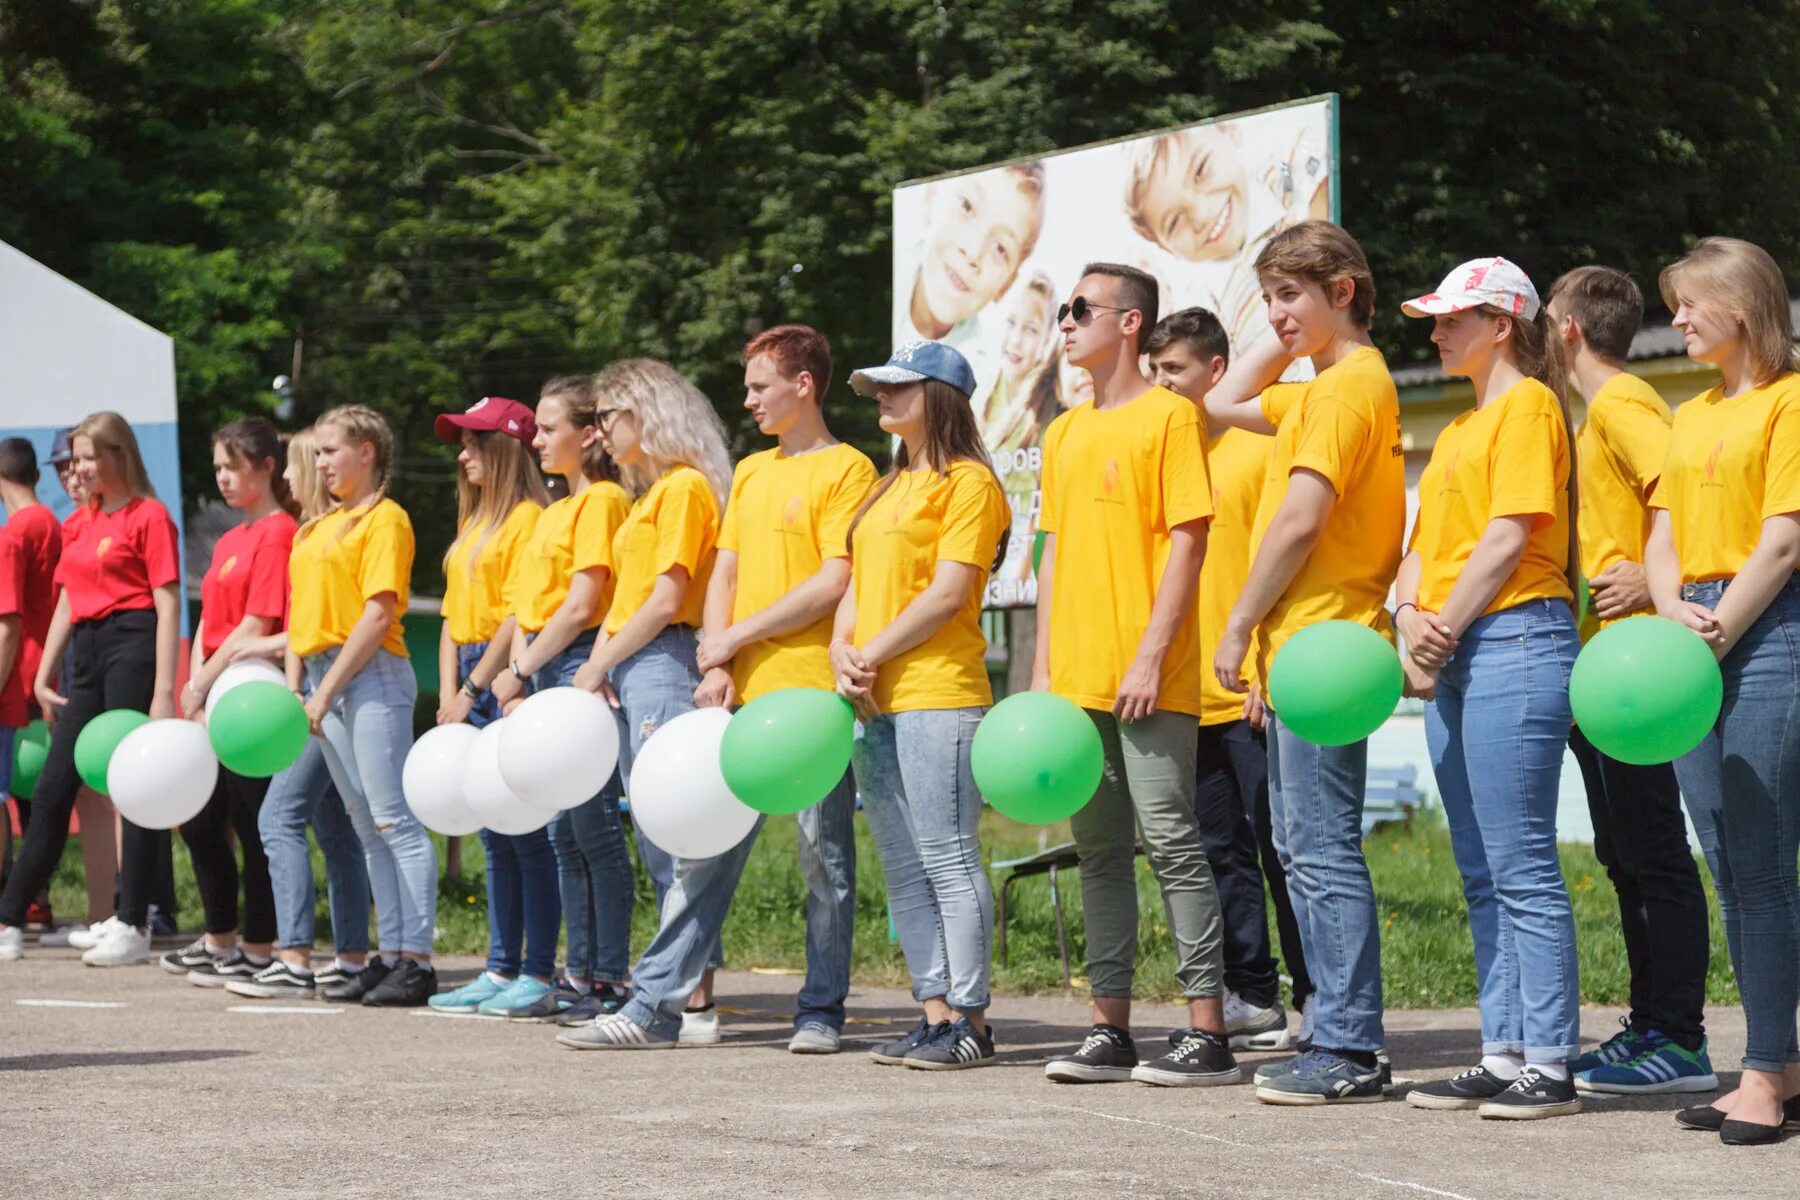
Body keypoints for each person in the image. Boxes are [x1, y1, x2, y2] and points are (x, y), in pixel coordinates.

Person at [1203, 221, 1404, 1104]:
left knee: (1319, 851)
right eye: (1269, 295)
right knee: (1301, 846)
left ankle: (1350, 1045)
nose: (1276, 314)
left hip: (1324, 640)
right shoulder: (1323, 387)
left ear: (1345, 290)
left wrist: (1237, 624)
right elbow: (1221, 403)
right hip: (1309, 648)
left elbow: (1298, 519)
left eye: (1292, 294)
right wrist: (1285, 324)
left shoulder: (1345, 389)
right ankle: (1332, 1031)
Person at [1033, 263, 1238, 1089]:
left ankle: (1207, 1032)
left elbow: (1188, 541)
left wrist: (1153, 652)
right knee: (1100, 852)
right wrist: (1045, 667)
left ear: (1129, 323)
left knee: (1172, 842)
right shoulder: (1062, 433)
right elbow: (1051, 559)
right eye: (1062, 309)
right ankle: (1109, 1029)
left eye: (1080, 309)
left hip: (1152, 672)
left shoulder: (1169, 418)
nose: (1066, 322)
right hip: (1076, 678)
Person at [1392, 258, 1585, 1120]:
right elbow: (1422, 546)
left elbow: (1510, 534)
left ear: (1502, 323)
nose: (1436, 333)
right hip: (1463, 648)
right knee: (1480, 868)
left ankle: (1551, 1059)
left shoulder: (1531, 407)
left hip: (1513, 640)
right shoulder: (1464, 429)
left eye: (1451, 319)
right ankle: (1503, 1053)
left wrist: (1441, 628)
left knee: (1522, 865)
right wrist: (1406, 614)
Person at [1548, 267, 1717, 1095]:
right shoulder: (1594, 413)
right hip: (1602, 669)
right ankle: (1649, 1025)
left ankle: (1681, 1039)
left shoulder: (1621, 403)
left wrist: (1658, 586)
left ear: (1570, 328)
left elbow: (1678, 486)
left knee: (1653, 852)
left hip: (1638, 672)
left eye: (1546, 318)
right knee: (1624, 852)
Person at [1648, 237, 1800, 1145]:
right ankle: (1776, 1066)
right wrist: (1673, 613)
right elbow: (1660, 530)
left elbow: (1784, 541)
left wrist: (1713, 632)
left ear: (1739, 308)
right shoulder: (1689, 410)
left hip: (1765, 627)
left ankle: (1762, 1077)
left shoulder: (1791, 401)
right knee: (1728, 869)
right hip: (1691, 632)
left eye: (1689, 303)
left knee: (1762, 868)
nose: (1677, 319)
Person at [825, 340, 1009, 1069]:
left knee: (949, 857)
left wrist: (870, 653)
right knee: (903, 863)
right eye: (878, 389)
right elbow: (857, 588)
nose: (883, 399)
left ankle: (972, 1022)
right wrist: (843, 651)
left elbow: (947, 593)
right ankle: (932, 1015)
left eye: (899, 387)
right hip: (874, 701)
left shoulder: (970, 485)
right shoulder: (883, 486)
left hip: (940, 692)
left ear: (941, 396)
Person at [692, 326, 875, 1055]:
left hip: (811, 699)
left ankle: (821, 1007)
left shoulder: (849, 469)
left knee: (823, 857)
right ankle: (678, 994)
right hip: (741, 693)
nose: (748, 400)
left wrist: (735, 638)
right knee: (704, 849)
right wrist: (716, 661)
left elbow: (834, 580)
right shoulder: (751, 471)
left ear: (803, 385)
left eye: (760, 385)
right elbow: (725, 574)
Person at [557, 358, 736, 1051]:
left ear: (648, 414)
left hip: (664, 659)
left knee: (674, 833)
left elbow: (666, 599)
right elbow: (630, 596)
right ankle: (686, 996)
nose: (599, 430)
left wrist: (597, 662)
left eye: (608, 415)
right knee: (658, 834)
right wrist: (603, 662)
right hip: (635, 664)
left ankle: (682, 1000)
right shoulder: (649, 496)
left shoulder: (686, 489)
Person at [1146, 309, 1307, 1053]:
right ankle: (1252, 993)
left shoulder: (1253, 449)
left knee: (1283, 847)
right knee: (1218, 851)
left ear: (1217, 373)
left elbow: (1284, 554)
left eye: (1173, 369)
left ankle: (1316, 1000)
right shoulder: (1166, 455)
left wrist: (1260, 666)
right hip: (1187, 690)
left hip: (1249, 683)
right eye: (1153, 370)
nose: (1160, 383)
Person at [0, 413, 181, 966]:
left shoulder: (149, 517)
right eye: (72, 459)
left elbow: (169, 600)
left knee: (135, 787)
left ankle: (133, 922)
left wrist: (164, 689)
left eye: (84, 458)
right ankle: (8, 918)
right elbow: (65, 601)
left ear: (116, 456)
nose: (75, 470)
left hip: (134, 644)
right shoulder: (79, 524)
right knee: (54, 788)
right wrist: (43, 672)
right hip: (88, 652)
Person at [487, 376, 635, 1025]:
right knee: (562, 833)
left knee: (596, 831)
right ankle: (578, 973)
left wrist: (523, 666)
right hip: (542, 671)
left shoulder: (603, 501)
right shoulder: (551, 511)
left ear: (589, 434)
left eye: (550, 429)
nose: (538, 440)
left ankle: (609, 975)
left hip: (576, 667)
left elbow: (583, 603)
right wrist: (517, 675)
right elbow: (527, 606)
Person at [286, 404, 437, 1006]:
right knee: (363, 823)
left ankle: (418, 959)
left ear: (367, 451)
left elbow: (378, 613)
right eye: (318, 452)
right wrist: (306, 684)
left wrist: (325, 690)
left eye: (331, 450)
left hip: (369, 676)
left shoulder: (386, 519)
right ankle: (390, 950)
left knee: (393, 817)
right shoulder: (318, 526)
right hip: (326, 675)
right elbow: (302, 615)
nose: (320, 462)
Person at [425, 396, 562, 1019]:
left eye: (475, 442)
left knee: (527, 834)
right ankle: (500, 965)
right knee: (492, 834)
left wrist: (475, 688)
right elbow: (453, 616)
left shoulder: (531, 517)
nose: (463, 454)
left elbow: (516, 615)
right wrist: (450, 690)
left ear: (506, 447)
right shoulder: (473, 521)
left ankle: (536, 970)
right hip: (470, 681)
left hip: (506, 675)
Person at [228, 428, 373, 1001]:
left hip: (330, 690)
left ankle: (293, 956)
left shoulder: (316, 535)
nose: (288, 478)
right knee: (336, 828)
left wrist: (295, 685)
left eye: (297, 466)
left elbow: (325, 627)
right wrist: (291, 682)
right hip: (312, 689)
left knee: (278, 817)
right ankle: (353, 956)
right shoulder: (312, 534)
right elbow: (305, 630)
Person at [161, 419, 299, 987]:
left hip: (251, 695)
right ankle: (220, 935)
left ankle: (260, 942)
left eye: (232, 466)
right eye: (217, 466)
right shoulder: (227, 538)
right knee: (200, 816)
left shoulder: (277, 531)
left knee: (251, 817)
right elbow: (211, 624)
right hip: (214, 688)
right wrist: (195, 686)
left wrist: (204, 683)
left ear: (267, 467)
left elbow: (257, 623)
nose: (222, 477)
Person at [0, 439, 62, 906]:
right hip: (50, 666)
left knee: (16, 791)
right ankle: (34, 895)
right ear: (36, 476)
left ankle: (17, 898)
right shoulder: (52, 523)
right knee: (33, 792)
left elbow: (9, 622)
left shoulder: (15, 533)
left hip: (19, 673)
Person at [903, 164, 1047, 346]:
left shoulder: (989, 363)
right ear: (930, 197)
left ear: (1006, 285)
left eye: (1000, 248)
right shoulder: (882, 281)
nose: (973, 251)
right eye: (966, 206)